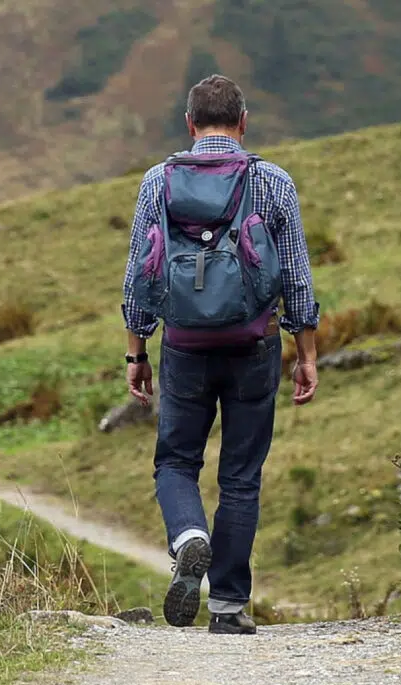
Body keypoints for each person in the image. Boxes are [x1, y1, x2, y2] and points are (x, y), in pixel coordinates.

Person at [120, 74, 320, 634]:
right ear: (243, 121)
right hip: (254, 344)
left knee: (176, 461)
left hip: (183, 346)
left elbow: (139, 273)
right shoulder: (272, 182)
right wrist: (306, 353)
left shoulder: (158, 182)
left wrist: (137, 352)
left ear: (189, 124)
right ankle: (228, 606)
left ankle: (189, 536)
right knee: (240, 476)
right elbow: (298, 278)